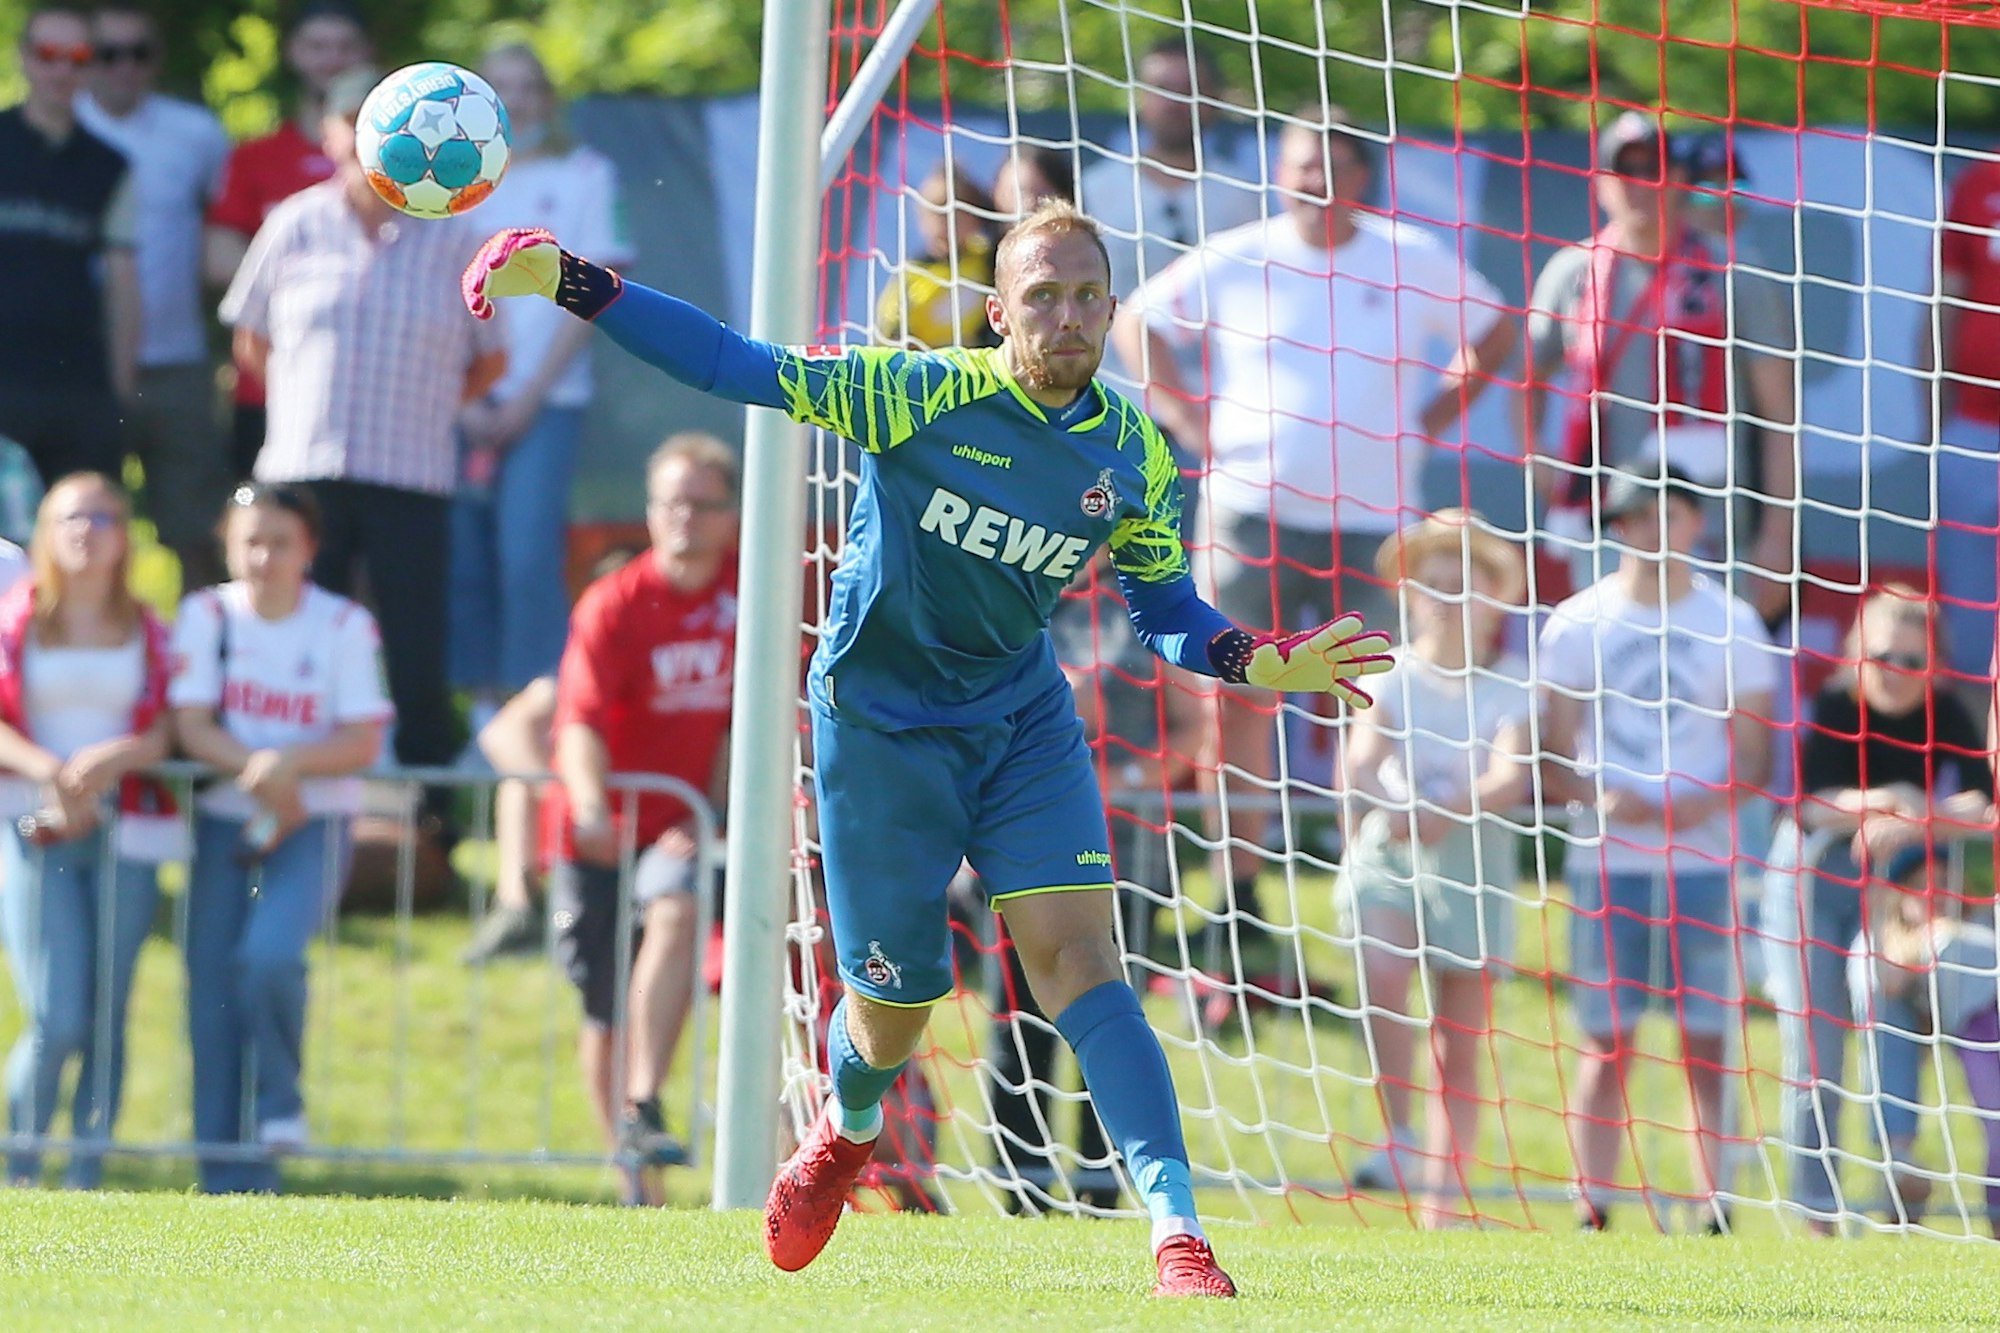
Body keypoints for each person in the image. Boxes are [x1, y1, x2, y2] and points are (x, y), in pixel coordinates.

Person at [461, 198, 1394, 1295]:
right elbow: (731, 364)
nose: (1067, 317)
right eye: (1040, 296)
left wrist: (1248, 659)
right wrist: (574, 282)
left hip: (1018, 722)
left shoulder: (1132, 449)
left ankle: (1177, 1235)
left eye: (1087, 295)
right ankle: (846, 1131)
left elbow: (1162, 606)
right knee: (894, 1008)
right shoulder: (914, 392)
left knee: (1083, 961)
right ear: (997, 313)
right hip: (877, 728)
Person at [1112, 107, 1514, 975]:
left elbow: (1498, 327)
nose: (1310, 181)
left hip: (1373, 525)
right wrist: (1183, 417)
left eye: (1328, 166)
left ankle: (1376, 883)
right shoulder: (1241, 252)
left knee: (1373, 699)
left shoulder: (1411, 260)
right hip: (1250, 510)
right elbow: (1137, 319)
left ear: (1362, 176)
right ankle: (1237, 899)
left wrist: (1429, 417)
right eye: (1299, 164)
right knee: (1238, 700)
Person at [220, 66, 506, 794]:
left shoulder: (458, 237)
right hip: (302, 472)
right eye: (349, 120)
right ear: (329, 132)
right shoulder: (294, 223)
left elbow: (491, 357)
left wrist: (425, 401)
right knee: (292, 638)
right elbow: (251, 339)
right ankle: (283, 785)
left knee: (414, 645)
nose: (360, 137)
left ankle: (428, 810)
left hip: (411, 472)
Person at [1537, 465, 1778, 1231]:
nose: (1654, 530)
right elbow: (1551, 751)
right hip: (1607, 860)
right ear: (1618, 527)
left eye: (1669, 514)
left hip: (1702, 862)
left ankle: (1714, 1202)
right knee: (1606, 1042)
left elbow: (1755, 759)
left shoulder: (1732, 621)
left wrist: (1682, 807)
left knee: (1706, 1040)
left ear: (1695, 522)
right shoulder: (1577, 622)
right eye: (1638, 516)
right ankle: (1592, 1203)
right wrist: (1601, 799)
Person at [170, 481, 390, 1193]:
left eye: (281, 542)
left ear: (309, 550)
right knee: (210, 995)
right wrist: (262, 770)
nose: (265, 557)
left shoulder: (343, 625)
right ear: (228, 545)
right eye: (250, 541)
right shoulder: (205, 614)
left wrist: (288, 765)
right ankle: (222, 1177)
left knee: (267, 957)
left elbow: (362, 737)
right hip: (226, 823)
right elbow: (191, 723)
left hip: (312, 824)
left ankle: (278, 1105)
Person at [1762, 589, 1996, 1230]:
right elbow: (1810, 807)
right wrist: (1884, 799)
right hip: (1812, 885)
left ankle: (1900, 1168)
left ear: (1935, 662)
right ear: (1858, 653)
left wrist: (1917, 819)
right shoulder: (1840, 705)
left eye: (1913, 658)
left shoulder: (1946, 711)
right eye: (1884, 654)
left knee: (1884, 1003)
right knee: (1816, 1047)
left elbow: (1983, 805)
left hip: (1893, 891)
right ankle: (1817, 1209)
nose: (1897, 669)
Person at [985, 547, 1206, 1213]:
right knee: (1019, 1020)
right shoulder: (1015, 596)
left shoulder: (1148, 605)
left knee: (1106, 1021)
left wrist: (1123, 782)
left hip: (1125, 853)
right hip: (1025, 847)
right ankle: (1020, 1189)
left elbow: (1194, 731)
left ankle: (1105, 1186)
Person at [546, 434, 737, 1203]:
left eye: (700, 503)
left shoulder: (751, 600)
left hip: (683, 825)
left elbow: (749, 721)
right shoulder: (614, 603)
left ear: (731, 515)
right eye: (669, 502)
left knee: (677, 905)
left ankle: (647, 1099)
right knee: (603, 1013)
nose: (683, 518)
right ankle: (639, 1185)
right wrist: (590, 805)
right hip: (597, 829)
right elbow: (577, 720)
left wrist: (717, 812)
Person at [1336, 510, 1533, 1223]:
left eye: (1463, 584)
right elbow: (1362, 757)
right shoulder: (1389, 667)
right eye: (1435, 583)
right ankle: (1399, 1128)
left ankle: (1442, 1201)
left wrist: (1448, 809)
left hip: (1472, 855)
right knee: (1381, 962)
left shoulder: (1514, 680)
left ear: (1490, 597)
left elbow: (1511, 773)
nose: (1447, 597)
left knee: (1460, 1036)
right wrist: (1403, 801)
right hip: (1391, 846)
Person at [1524, 112, 1798, 618]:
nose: (1639, 186)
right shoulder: (1572, 273)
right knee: (1611, 677)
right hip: (1607, 522)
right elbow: (1527, 381)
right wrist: (1543, 467)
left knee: (1714, 685)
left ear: (1677, 181)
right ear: (1601, 184)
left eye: (1652, 170)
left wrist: (1777, 539)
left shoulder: (1735, 277)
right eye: (1623, 171)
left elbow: (1781, 418)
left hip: (1714, 526)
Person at [451, 44, 632, 735]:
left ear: (548, 98)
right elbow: (441, 295)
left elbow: (591, 296)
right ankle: (478, 721)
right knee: (464, 557)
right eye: (502, 90)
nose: (517, 102)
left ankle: (537, 715)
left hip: (547, 403)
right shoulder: (453, 179)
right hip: (459, 402)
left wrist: (524, 396)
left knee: (526, 554)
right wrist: (466, 397)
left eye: (529, 88)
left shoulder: (586, 174)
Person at [0, 472, 173, 1188]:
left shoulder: (145, 624)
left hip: (122, 828)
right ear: (45, 530)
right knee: (57, 1011)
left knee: (108, 1008)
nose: (86, 530)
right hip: (32, 829)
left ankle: (87, 1169)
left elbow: (167, 727)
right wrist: (51, 770)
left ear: (123, 535)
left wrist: (117, 755)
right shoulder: (17, 618)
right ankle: (18, 1159)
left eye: (103, 517)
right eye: (71, 517)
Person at [76, 4, 232, 590]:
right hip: (81, 367)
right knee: (82, 531)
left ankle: (201, 669)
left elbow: (223, 235)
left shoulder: (196, 134)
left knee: (198, 530)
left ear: (156, 60)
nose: (123, 67)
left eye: (137, 52)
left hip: (177, 361)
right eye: (107, 53)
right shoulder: (62, 129)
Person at [204, 0, 373, 482]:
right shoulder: (256, 156)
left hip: (370, 397)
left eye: (344, 47)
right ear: (293, 53)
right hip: (271, 382)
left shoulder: (403, 170)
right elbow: (218, 257)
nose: (331, 59)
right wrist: (309, 293)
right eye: (318, 46)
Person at [0, 6, 140, 483]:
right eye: (47, 54)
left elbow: (123, 282)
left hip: (79, 391)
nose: (61, 69)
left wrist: (119, 392)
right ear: (24, 58)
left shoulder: (111, 165)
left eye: (77, 56)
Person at [1849, 844, 2000, 1233]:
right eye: (1921, 886)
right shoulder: (1895, 944)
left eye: (1944, 882)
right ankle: (1903, 1169)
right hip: (1967, 1033)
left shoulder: (1979, 928)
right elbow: (1890, 980)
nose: (1936, 895)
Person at [1076, 37, 1262, 307]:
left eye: (1189, 89)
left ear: (1215, 99)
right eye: (1163, 88)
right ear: (1140, 95)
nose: (1175, 102)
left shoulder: (1242, 195)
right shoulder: (1095, 189)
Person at [1919, 152, 2000, 686]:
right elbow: (1943, 303)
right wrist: (1936, 430)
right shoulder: (1979, 181)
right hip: (1973, 430)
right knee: (1969, 633)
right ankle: (1980, 767)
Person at [875, 166, 998, 351]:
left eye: (955, 210)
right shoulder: (910, 277)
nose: (945, 220)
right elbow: (890, 338)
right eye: (935, 209)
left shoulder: (988, 257)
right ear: (921, 216)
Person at [992, 145, 1076, 221]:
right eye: (1021, 192)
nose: (1031, 204)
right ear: (996, 192)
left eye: (1043, 195)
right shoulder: (983, 235)